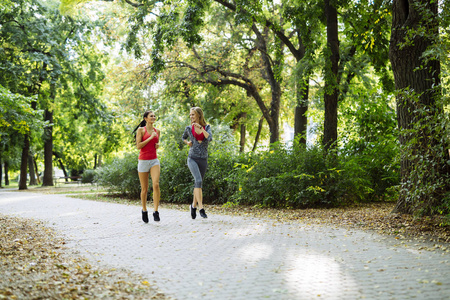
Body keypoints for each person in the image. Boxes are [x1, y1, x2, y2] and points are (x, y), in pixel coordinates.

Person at [182, 107, 213, 219]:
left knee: (198, 184)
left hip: (203, 159)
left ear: (199, 115)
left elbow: (209, 138)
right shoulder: (189, 128)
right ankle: (201, 209)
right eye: (190, 115)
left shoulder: (207, 127)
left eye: (193, 115)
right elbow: (183, 137)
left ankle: (193, 206)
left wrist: (200, 128)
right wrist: (187, 142)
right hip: (192, 158)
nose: (191, 117)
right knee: (198, 180)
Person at [135, 110, 161, 223]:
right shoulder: (141, 130)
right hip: (143, 161)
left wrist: (157, 145)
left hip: (154, 160)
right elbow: (138, 146)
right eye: (151, 116)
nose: (153, 117)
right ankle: (144, 210)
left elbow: (155, 145)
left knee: (156, 184)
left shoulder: (157, 131)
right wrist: (150, 138)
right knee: (144, 189)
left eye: (154, 116)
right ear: (145, 118)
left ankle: (156, 211)